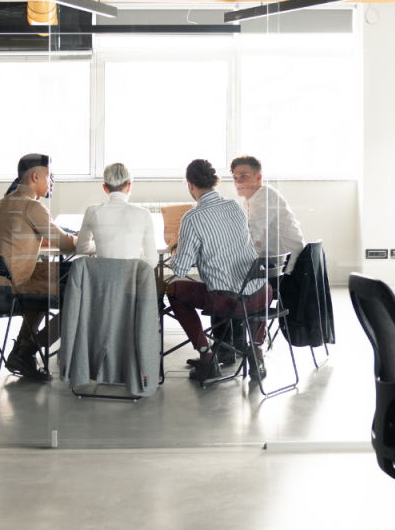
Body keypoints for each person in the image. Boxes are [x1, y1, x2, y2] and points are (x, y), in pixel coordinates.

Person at [165, 159, 271, 382]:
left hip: (228, 301)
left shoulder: (192, 218)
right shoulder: (235, 206)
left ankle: (206, 357)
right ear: (215, 181)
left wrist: (176, 247)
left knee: (174, 290)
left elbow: (182, 268)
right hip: (261, 294)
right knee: (227, 285)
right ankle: (256, 351)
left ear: (190, 185)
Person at [0, 153, 78, 381]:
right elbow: (65, 244)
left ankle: (22, 352)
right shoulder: (32, 207)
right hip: (12, 290)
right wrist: (83, 238)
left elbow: (19, 236)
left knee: (55, 282)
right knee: (77, 297)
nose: (51, 181)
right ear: (36, 177)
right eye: (49, 176)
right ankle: (28, 350)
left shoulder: (0, 205)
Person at [230, 155, 306, 273]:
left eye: (243, 176)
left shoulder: (266, 197)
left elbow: (252, 233)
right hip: (273, 261)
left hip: (287, 268)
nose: (238, 181)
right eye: (235, 177)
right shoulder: (248, 201)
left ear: (258, 177)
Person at [76, 163, 158, 268]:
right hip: (132, 282)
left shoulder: (92, 211)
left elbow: (81, 248)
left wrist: (104, 244)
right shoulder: (144, 214)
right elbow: (152, 262)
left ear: (104, 188)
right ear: (129, 186)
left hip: (102, 281)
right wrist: (137, 250)